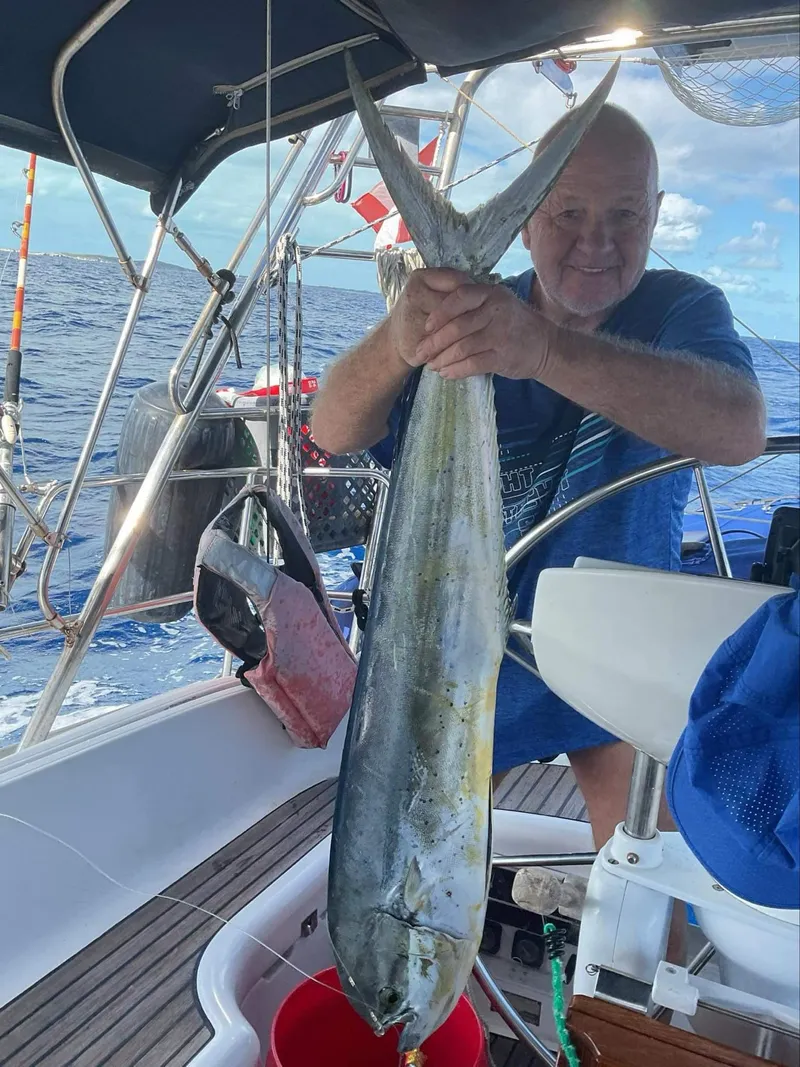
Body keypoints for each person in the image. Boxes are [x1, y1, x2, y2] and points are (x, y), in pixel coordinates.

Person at [312, 104, 766, 878]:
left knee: (651, 889)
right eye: (568, 214)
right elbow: (332, 428)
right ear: (525, 223)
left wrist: (543, 351)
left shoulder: (680, 309)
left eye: (625, 214)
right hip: (466, 663)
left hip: (616, 657)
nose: (597, 242)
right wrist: (397, 339)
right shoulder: (465, 321)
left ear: (656, 214)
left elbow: (740, 429)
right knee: (406, 872)